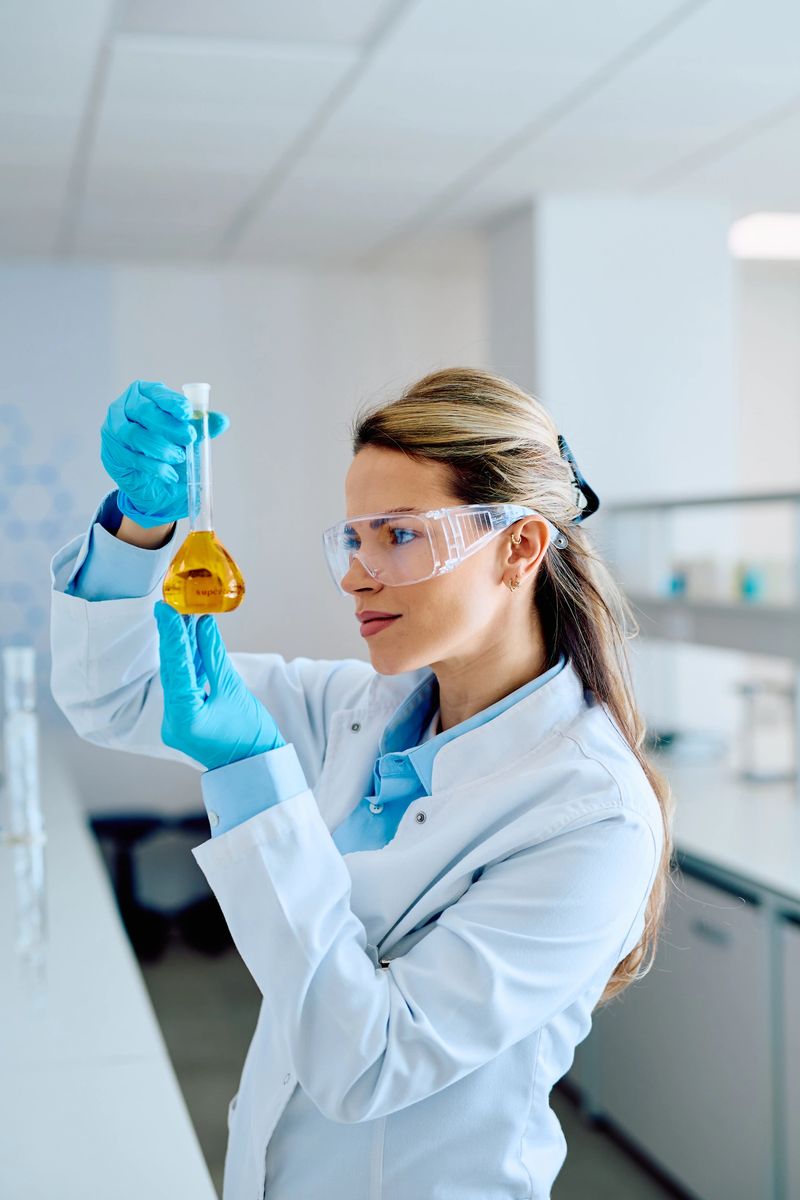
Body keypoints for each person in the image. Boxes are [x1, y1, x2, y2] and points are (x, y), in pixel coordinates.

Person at [49, 369, 674, 1200]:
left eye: (399, 535)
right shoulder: (354, 712)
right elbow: (115, 695)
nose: (354, 575)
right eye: (353, 539)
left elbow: (368, 1063)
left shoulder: (592, 817)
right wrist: (140, 526)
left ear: (520, 547)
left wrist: (252, 779)